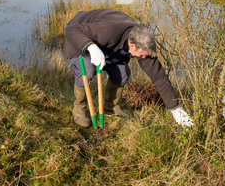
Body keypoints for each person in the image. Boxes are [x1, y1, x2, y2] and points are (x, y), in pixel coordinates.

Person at [64, 8, 193, 129]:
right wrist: (91, 47)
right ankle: (79, 109)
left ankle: (111, 106)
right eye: (142, 55)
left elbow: (159, 77)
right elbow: (73, 30)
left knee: (122, 72)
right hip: (79, 34)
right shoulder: (110, 30)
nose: (143, 57)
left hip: (104, 45)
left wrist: (175, 109)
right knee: (87, 71)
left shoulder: (143, 41)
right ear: (132, 45)